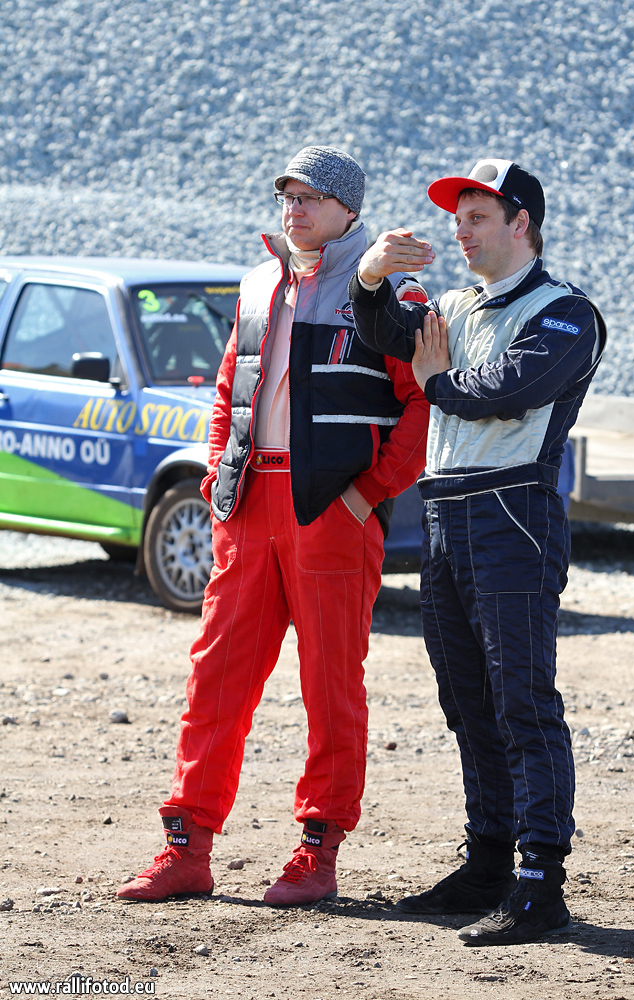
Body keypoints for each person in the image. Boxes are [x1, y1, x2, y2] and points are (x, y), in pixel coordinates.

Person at [117, 146, 429, 907]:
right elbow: (229, 387)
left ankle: (317, 853)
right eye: (287, 195)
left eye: (311, 197)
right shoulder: (258, 282)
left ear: (348, 210)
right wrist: (218, 482)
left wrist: (366, 496)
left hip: (332, 511)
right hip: (250, 504)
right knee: (215, 679)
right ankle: (186, 848)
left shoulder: (395, 290)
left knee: (330, 685)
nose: (294, 208)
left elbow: (423, 402)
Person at [349, 158, 606, 944]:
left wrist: (434, 384)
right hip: (444, 513)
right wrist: (368, 277)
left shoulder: (565, 312)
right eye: (456, 219)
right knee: (465, 701)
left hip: (511, 513)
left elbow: (507, 389)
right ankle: (488, 863)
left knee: (521, 700)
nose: (459, 232)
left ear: (520, 222)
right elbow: (385, 333)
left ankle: (540, 884)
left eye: (477, 218)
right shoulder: (453, 304)